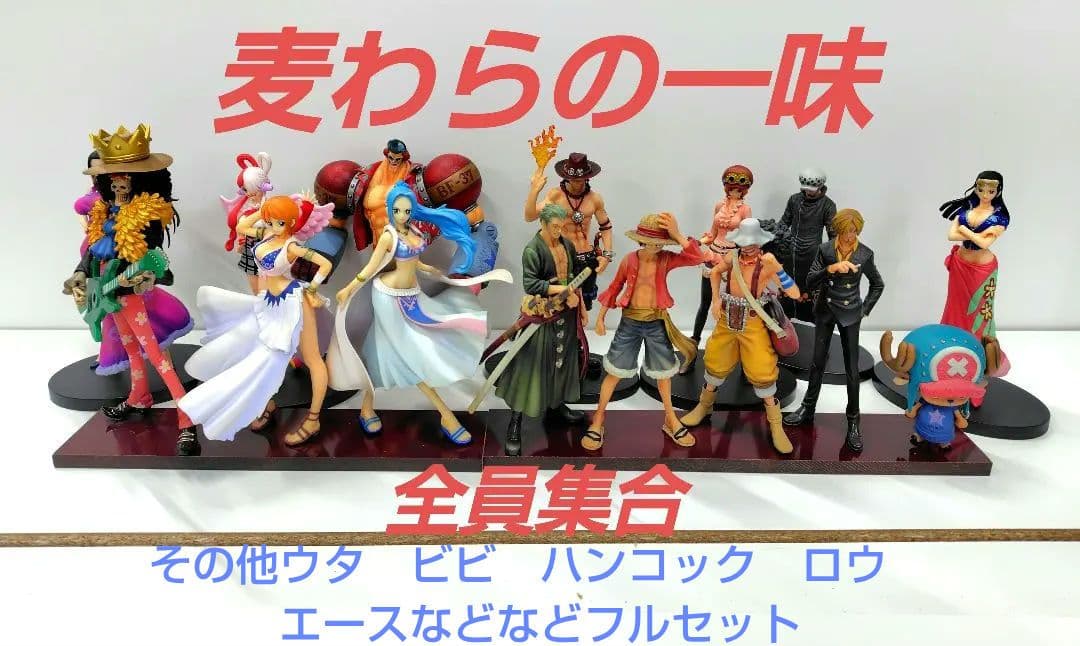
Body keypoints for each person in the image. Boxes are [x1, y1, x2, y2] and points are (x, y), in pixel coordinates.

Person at [330, 181, 512, 445]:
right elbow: (370, 267)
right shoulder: (388, 236)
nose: (402, 215)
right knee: (409, 354)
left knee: (387, 349)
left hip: (412, 295)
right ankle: (446, 415)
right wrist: (349, 288)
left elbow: (415, 261)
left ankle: (366, 407)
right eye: (397, 210)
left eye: (407, 210)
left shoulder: (414, 229)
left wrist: (428, 270)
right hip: (387, 297)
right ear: (390, 209)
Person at [62, 124, 198, 456]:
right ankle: (139, 396)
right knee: (130, 348)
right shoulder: (104, 210)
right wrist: (80, 273)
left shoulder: (146, 212)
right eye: (112, 179)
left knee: (156, 355)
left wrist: (135, 277)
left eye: (124, 179)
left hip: (130, 292)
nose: (118, 184)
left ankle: (187, 417)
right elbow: (94, 249)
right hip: (107, 289)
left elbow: (150, 255)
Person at [177, 194, 338, 447]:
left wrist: (313, 288)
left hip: (293, 302)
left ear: (291, 222)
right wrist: (263, 210)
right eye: (271, 221)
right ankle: (266, 402)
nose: (274, 226)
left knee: (311, 358)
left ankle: (313, 419)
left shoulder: (292, 247)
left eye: (280, 222)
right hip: (269, 303)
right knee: (259, 354)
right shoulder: (266, 234)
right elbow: (242, 226)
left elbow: (325, 264)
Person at [679, 219, 801, 454]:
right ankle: (704, 406)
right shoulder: (732, 257)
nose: (748, 247)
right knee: (715, 362)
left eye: (752, 243)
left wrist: (778, 269)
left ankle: (775, 424)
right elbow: (715, 272)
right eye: (744, 242)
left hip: (753, 323)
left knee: (762, 371)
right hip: (727, 319)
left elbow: (794, 293)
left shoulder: (767, 262)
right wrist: (716, 300)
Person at [584, 213, 703, 450]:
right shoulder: (629, 260)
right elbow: (615, 287)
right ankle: (599, 417)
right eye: (650, 242)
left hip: (656, 322)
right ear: (640, 240)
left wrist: (678, 235)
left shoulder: (667, 259)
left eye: (660, 243)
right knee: (614, 371)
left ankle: (670, 418)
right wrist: (600, 317)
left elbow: (697, 258)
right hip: (629, 322)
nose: (655, 247)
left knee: (663, 374)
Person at [782, 209, 885, 451]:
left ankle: (853, 420)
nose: (850, 236)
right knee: (817, 362)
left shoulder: (865, 253)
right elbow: (809, 280)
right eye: (846, 231)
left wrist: (864, 310)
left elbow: (877, 284)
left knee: (852, 369)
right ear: (837, 230)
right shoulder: (826, 249)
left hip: (850, 314)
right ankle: (808, 407)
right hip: (825, 310)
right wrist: (831, 269)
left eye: (854, 231)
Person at [490, 204, 589, 455]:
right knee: (529, 369)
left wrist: (581, 308)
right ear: (542, 223)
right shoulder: (533, 250)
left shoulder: (567, 245)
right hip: (541, 316)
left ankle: (557, 405)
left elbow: (575, 279)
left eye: (561, 226)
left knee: (562, 363)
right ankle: (515, 422)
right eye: (554, 226)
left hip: (566, 315)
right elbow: (531, 284)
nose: (558, 231)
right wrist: (562, 290)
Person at [525, 152, 614, 376]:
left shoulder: (595, 199)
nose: (577, 184)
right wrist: (534, 190)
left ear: (588, 177)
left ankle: (577, 351)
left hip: (587, 259)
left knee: (583, 308)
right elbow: (530, 216)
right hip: (562, 260)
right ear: (565, 177)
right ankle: (560, 351)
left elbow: (606, 226)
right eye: (573, 179)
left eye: (581, 179)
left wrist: (606, 255)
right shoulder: (555, 195)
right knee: (563, 306)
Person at [938, 170, 1011, 379]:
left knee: (979, 310)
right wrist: (975, 234)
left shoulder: (1000, 216)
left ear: (998, 191)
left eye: (990, 190)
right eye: (981, 189)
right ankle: (951, 346)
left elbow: (984, 243)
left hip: (982, 269)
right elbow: (951, 235)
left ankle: (979, 353)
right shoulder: (968, 208)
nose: (985, 194)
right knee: (955, 305)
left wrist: (966, 231)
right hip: (960, 263)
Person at [690, 165, 754, 348]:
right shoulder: (719, 206)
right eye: (732, 188)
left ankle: (727, 345)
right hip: (712, 255)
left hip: (731, 259)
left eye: (739, 189)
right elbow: (712, 233)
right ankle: (694, 341)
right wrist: (698, 242)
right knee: (705, 302)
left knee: (730, 304)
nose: (735, 192)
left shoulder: (745, 210)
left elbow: (747, 237)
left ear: (744, 190)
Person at [776, 168, 837, 321]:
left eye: (812, 190)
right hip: (791, 252)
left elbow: (833, 234)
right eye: (806, 189)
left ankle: (810, 321)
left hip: (813, 253)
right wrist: (774, 238)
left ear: (820, 186)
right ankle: (786, 319)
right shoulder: (794, 200)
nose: (808, 192)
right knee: (788, 284)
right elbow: (784, 222)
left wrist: (832, 256)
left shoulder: (828, 205)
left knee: (811, 285)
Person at [221, 152, 274, 294]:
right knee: (256, 290)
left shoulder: (270, 208)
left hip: (266, 251)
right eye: (246, 190)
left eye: (253, 191)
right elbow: (240, 228)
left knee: (267, 291)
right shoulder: (246, 208)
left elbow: (274, 231)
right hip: (249, 249)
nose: (249, 194)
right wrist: (241, 241)